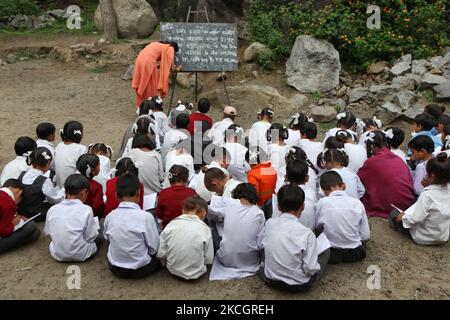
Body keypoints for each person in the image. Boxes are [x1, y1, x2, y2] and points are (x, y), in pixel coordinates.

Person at [259, 184, 329, 292]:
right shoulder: (307, 234)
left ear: (278, 207)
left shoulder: (269, 223)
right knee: (326, 250)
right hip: (298, 285)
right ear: (303, 206)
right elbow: (310, 269)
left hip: (270, 279)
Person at [104, 173, 160, 279]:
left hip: (115, 268)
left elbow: (108, 239)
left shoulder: (110, 216)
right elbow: (154, 249)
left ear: (116, 195)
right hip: (141, 268)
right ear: (139, 194)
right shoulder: (146, 217)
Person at [390, 153, 450, 245]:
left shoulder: (427, 195)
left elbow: (416, 219)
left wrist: (403, 217)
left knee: (394, 213)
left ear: (432, 176)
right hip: (442, 237)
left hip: (423, 237)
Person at [208, 183, 265, 280]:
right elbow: (260, 243)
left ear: (236, 195)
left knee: (210, 221)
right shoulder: (259, 213)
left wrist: (222, 218)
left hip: (225, 259)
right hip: (249, 261)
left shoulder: (229, 203)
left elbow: (209, 210)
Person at [316, 171, 370, 264]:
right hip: (354, 254)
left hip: (331, 253)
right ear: (344, 185)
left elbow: (318, 227)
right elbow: (365, 235)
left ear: (323, 191)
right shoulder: (357, 203)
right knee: (366, 224)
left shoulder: (322, 203)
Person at [358, 131, 415, 218]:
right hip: (407, 202)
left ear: (372, 146)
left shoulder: (373, 161)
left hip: (393, 205)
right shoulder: (397, 158)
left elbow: (358, 180)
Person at [44, 174, 100, 262]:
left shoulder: (52, 209)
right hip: (81, 253)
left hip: (58, 254)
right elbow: (90, 237)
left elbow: (48, 233)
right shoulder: (87, 209)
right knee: (97, 235)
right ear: (84, 192)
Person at [157, 196, 213, 280]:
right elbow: (209, 259)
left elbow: (160, 253)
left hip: (172, 270)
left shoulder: (171, 225)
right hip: (196, 272)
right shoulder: (205, 229)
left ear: (183, 210)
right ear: (203, 213)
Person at [17, 147, 64, 219]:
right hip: (36, 213)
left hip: (22, 211)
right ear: (48, 162)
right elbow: (54, 199)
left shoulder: (22, 174)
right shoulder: (44, 181)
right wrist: (63, 191)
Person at [270, 159, 317, 230]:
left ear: (286, 177)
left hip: (281, 232)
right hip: (308, 232)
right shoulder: (312, 194)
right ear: (307, 178)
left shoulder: (281, 192)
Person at [132, 41, 181, 108]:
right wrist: (178, 68)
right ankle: (149, 106)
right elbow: (172, 69)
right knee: (150, 86)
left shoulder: (157, 44)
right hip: (148, 62)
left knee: (142, 84)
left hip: (139, 60)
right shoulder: (170, 48)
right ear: (174, 48)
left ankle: (141, 105)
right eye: (174, 53)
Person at [0, 179, 40, 254]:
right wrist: (17, 222)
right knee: (31, 226)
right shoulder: (9, 202)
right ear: (19, 192)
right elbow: (4, 232)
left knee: (35, 233)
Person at [54, 121, 87, 189]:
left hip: (59, 185)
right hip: (72, 187)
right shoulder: (81, 149)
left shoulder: (59, 145)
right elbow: (83, 169)